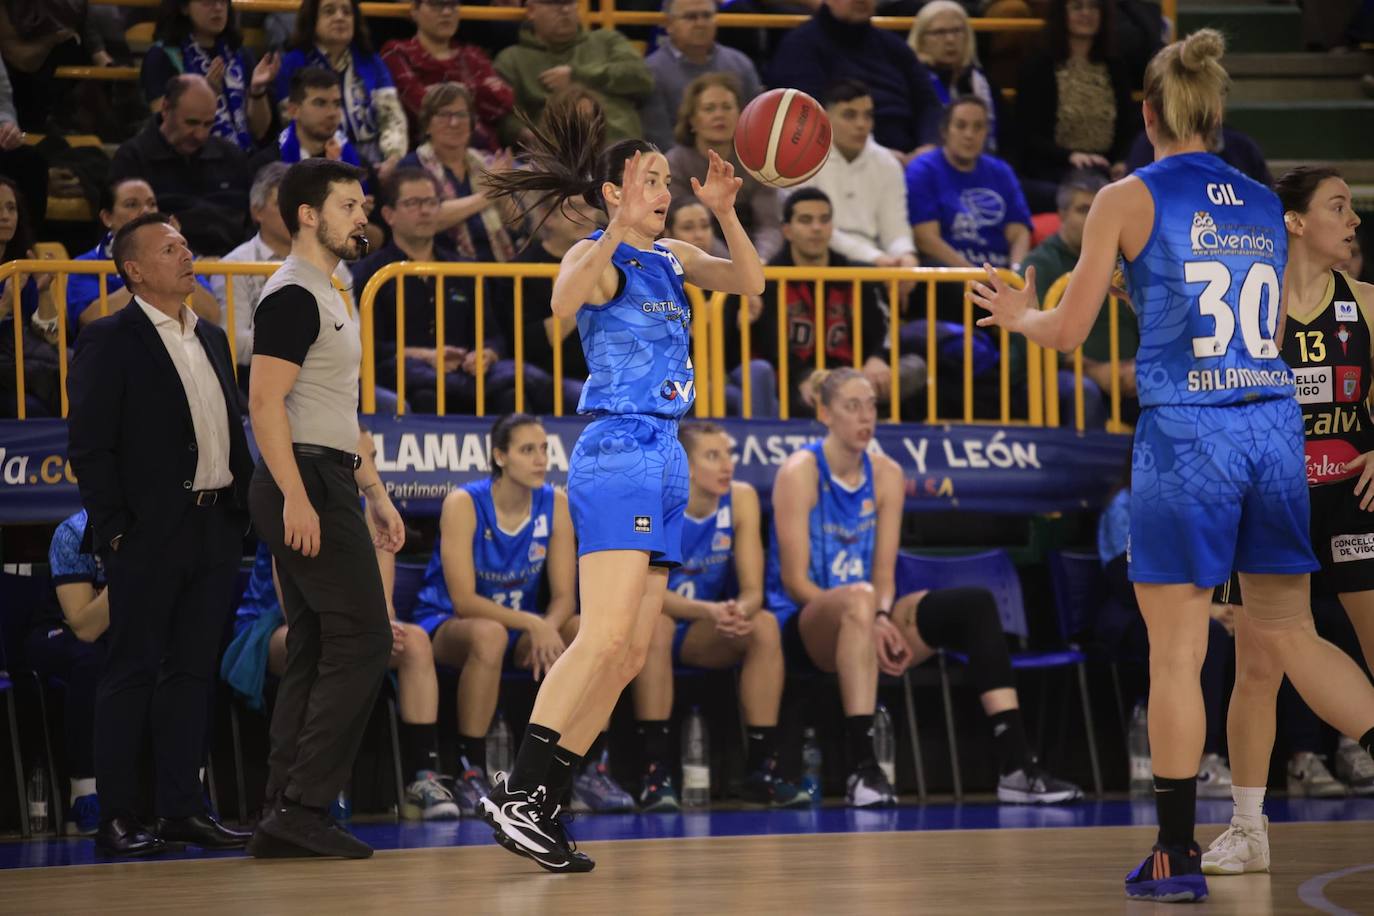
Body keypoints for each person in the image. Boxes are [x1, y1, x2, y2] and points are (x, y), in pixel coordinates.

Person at [970, 30, 1374, 902]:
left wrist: (1017, 313)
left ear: (1145, 115)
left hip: (1189, 438)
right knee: (1294, 634)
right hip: (1273, 427)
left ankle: (1176, 856)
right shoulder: (1267, 202)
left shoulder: (1124, 195)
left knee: (1179, 655)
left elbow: (1068, 333)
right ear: (1217, 115)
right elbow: (1256, 330)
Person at [475, 95, 764, 871]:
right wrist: (610, 229)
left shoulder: (672, 257)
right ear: (611, 192)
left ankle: (547, 802)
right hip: (618, 450)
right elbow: (562, 306)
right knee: (601, 635)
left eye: (667, 180)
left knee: (632, 651)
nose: (663, 192)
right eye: (648, 179)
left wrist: (728, 212)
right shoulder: (592, 256)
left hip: (666, 453)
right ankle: (517, 788)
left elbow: (750, 283)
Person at [767, 367, 1082, 807]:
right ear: (824, 413)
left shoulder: (887, 473)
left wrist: (877, 616)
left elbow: (883, 574)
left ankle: (1016, 765)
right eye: (851, 407)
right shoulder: (799, 471)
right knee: (857, 599)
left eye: (872, 406)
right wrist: (864, 613)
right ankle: (863, 768)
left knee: (974, 604)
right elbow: (794, 580)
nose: (865, 417)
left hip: (868, 615)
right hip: (808, 625)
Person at [1202, 166, 1374, 877]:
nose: (1355, 219)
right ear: (1295, 221)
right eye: (1339, 206)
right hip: (1272, 500)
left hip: (1349, 500)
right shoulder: (1253, 307)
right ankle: (1248, 826)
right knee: (1258, 668)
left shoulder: (1365, 303)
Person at [67, 211, 254, 857]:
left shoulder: (212, 336)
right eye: (170, 247)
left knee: (192, 674)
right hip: (148, 534)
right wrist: (116, 531)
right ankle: (117, 816)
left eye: (186, 244)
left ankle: (182, 809)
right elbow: (90, 446)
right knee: (132, 672)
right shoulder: (110, 338)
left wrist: (240, 512)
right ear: (135, 269)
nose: (187, 254)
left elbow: (228, 429)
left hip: (215, 526)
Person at [246, 158, 404, 860]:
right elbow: (263, 404)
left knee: (315, 645)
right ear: (308, 214)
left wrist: (374, 491)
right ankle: (306, 804)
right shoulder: (292, 294)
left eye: (362, 205)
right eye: (348, 205)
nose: (361, 216)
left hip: (329, 472)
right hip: (302, 476)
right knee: (366, 638)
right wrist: (297, 497)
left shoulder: (334, 291)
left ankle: (286, 806)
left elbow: (339, 412)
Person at [223, 430, 460, 822]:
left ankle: (424, 777)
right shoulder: (298, 502)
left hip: (346, 625)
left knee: (414, 641)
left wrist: (385, 622)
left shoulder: (369, 512)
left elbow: (380, 602)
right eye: (360, 456)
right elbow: (290, 603)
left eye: (369, 457)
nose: (368, 465)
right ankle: (308, 788)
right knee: (317, 643)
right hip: (274, 625)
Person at [412, 414, 641, 813]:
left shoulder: (556, 503)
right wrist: (534, 624)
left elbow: (565, 597)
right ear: (500, 456)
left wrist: (548, 628)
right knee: (488, 635)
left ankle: (588, 769)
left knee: (588, 632)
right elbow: (464, 599)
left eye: (545, 449)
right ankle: (470, 770)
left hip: (522, 626)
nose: (541, 459)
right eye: (527, 450)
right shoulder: (464, 503)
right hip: (449, 621)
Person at [664, 421, 807, 807]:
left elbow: (753, 592)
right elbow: (649, 594)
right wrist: (708, 610)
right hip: (658, 624)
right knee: (658, 626)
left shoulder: (740, 498)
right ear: (686, 465)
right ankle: (654, 773)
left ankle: (762, 766)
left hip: (704, 629)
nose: (727, 464)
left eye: (729, 454)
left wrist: (734, 611)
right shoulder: (660, 502)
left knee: (761, 624)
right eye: (713, 456)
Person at [350, 166, 523, 414]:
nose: (425, 210)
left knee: (512, 388)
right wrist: (425, 355)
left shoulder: (464, 270)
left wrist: (486, 354)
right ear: (389, 215)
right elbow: (368, 347)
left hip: (466, 374)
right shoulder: (370, 274)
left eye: (432, 202)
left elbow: (493, 335)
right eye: (413, 203)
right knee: (423, 390)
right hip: (408, 378)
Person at [751, 188, 916, 417]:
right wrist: (804, 377)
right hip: (796, 380)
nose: (816, 228)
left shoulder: (858, 275)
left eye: (824, 220)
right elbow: (771, 345)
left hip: (855, 376)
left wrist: (877, 358)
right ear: (787, 230)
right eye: (806, 221)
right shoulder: (768, 279)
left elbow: (884, 329)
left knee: (915, 369)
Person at [213, 162, 355, 379]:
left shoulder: (334, 262)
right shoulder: (233, 265)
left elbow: (355, 330)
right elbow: (233, 340)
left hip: (326, 378)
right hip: (257, 377)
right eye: (282, 204)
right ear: (257, 211)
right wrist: (302, 345)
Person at [1019, 170, 1135, 426]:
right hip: (1061, 376)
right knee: (1083, 392)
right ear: (1060, 214)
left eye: (1098, 210)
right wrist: (1095, 371)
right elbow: (1028, 339)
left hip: (1129, 374)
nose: (1093, 218)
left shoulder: (1127, 261)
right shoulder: (1038, 265)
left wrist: (1139, 367)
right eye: (1083, 210)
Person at [767, 0, 942, 162]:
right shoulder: (799, 46)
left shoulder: (893, 45)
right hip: (837, 157)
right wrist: (878, 154)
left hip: (912, 158)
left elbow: (928, 103)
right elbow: (805, 117)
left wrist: (928, 145)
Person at [24, 509, 109, 836]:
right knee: (91, 660)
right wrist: (133, 571)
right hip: (56, 631)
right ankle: (84, 795)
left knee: (178, 655)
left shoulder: (155, 526)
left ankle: (184, 791)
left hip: (113, 631)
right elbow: (87, 626)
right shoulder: (74, 532)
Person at [1014, 0, 1138, 212]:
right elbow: (1026, 135)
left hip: (1104, 169)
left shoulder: (1115, 66)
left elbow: (1128, 126)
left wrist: (1121, 160)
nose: (1086, 13)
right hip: (1055, 168)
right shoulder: (1038, 67)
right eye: (1077, 7)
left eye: (1093, 7)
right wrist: (1070, 156)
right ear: (1062, 15)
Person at [108, 74, 252, 256]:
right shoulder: (132, 159)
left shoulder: (232, 157)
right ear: (166, 108)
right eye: (191, 123)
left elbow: (251, 223)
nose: (200, 134)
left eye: (208, 124)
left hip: (233, 266)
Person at [663, 195, 778, 418]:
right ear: (669, 236)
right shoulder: (662, 283)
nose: (699, 234)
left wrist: (748, 326)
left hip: (722, 378)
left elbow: (745, 355)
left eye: (705, 226)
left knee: (759, 372)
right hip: (677, 379)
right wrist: (695, 335)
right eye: (688, 227)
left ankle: (756, 445)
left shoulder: (725, 280)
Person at [66, 178, 221, 336]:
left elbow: (211, 316)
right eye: (132, 204)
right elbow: (90, 320)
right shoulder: (85, 264)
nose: (146, 211)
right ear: (107, 217)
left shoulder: (181, 259)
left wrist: (172, 251)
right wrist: (149, 272)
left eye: (151, 204)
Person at [493, 0, 653, 146]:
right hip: (560, 155)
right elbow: (504, 118)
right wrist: (526, 134)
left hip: (623, 148)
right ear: (532, 10)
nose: (565, 9)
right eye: (555, 3)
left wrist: (579, 76)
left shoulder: (606, 41)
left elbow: (643, 78)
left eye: (570, 2)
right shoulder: (512, 59)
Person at [488, 198, 595, 414]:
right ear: (549, 217)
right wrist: (582, 294)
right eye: (572, 208)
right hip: (550, 378)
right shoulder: (521, 271)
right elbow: (524, 344)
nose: (583, 215)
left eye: (588, 207)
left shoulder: (614, 262)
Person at [274, 0, 408, 170]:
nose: (340, 17)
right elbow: (291, 122)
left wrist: (392, 159)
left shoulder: (371, 61)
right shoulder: (293, 63)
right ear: (313, 19)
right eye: (329, 11)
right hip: (318, 157)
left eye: (347, 12)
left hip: (376, 156)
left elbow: (392, 117)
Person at [398, 82, 522, 264]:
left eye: (461, 115)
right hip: (443, 273)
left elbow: (517, 223)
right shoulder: (412, 167)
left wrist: (503, 191)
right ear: (427, 124)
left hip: (498, 271)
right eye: (443, 115)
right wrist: (488, 195)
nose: (454, 123)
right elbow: (428, 219)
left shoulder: (487, 162)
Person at [666, 72, 783, 263]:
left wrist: (760, 260)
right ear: (692, 120)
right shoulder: (675, 164)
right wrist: (734, 267)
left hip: (753, 260)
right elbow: (681, 229)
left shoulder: (758, 162)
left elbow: (769, 226)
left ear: (740, 115)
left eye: (727, 107)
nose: (719, 115)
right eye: (709, 108)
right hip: (696, 262)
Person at [801, 80, 918, 270]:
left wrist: (905, 257)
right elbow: (813, 230)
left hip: (878, 261)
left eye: (867, 116)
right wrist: (876, 258)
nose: (861, 124)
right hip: (822, 257)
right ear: (825, 118)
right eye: (850, 115)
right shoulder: (803, 160)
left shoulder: (887, 163)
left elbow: (896, 229)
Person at [907, 96, 1031, 275]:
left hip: (999, 276)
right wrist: (974, 275)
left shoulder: (1001, 172)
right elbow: (925, 238)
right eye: (961, 125)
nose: (969, 135)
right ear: (945, 130)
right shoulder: (923, 169)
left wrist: (1016, 275)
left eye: (978, 127)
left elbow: (1019, 233)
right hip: (953, 276)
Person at [140, 0, 280, 153]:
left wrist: (257, 90)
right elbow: (164, 126)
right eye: (208, 2)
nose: (218, 8)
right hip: (192, 160)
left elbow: (259, 132)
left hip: (244, 158)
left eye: (223, 2)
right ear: (185, 7)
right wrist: (205, 95)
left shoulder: (240, 53)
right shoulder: (162, 55)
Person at [379, 0, 512, 150]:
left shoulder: (472, 54)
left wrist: (442, 93)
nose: (447, 12)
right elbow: (424, 110)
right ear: (414, 11)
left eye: (453, 5)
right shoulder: (398, 53)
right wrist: (473, 92)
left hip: (490, 154)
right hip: (426, 157)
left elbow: (502, 104)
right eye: (436, 5)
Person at [640, 0, 763, 151]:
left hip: (739, 164)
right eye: (691, 17)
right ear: (669, 24)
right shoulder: (651, 71)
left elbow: (756, 127)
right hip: (677, 168)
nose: (700, 23)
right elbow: (658, 140)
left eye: (707, 15)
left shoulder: (741, 64)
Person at [907, 0, 1005, 155]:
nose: (950, 40)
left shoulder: (982, 82)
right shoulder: (911, 83)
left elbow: (1007, 138)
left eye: (957, 31)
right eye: (939, 32)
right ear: (921, 39)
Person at [0, 177, 62, 419]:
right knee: (33, 407)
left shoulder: (23, 265)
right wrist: (5, 303)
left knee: (74, 363)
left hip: (20, 357)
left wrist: (45, 291)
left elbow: (51, 335)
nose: (5, 216)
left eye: (11, 208)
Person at [278, 66, 363, 167]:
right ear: (294, 111)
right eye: (320, 103)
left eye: (337, 104)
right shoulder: (270, 164)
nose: (332, 113)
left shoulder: (356, 162)